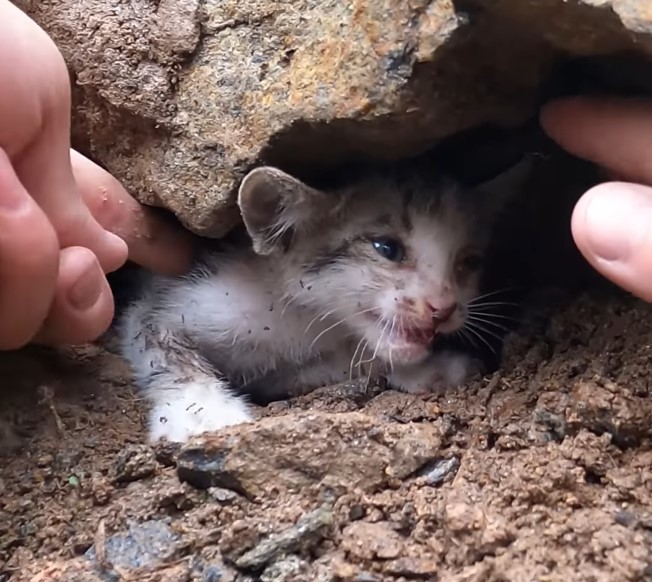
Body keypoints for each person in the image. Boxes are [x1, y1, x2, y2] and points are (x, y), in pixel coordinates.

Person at [1, 2, 651, 351]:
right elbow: (153, 326)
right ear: (283, 230)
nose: (444, 298)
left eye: (467, 263)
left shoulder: (343, 334)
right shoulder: (238, 301)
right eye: (389, 249)